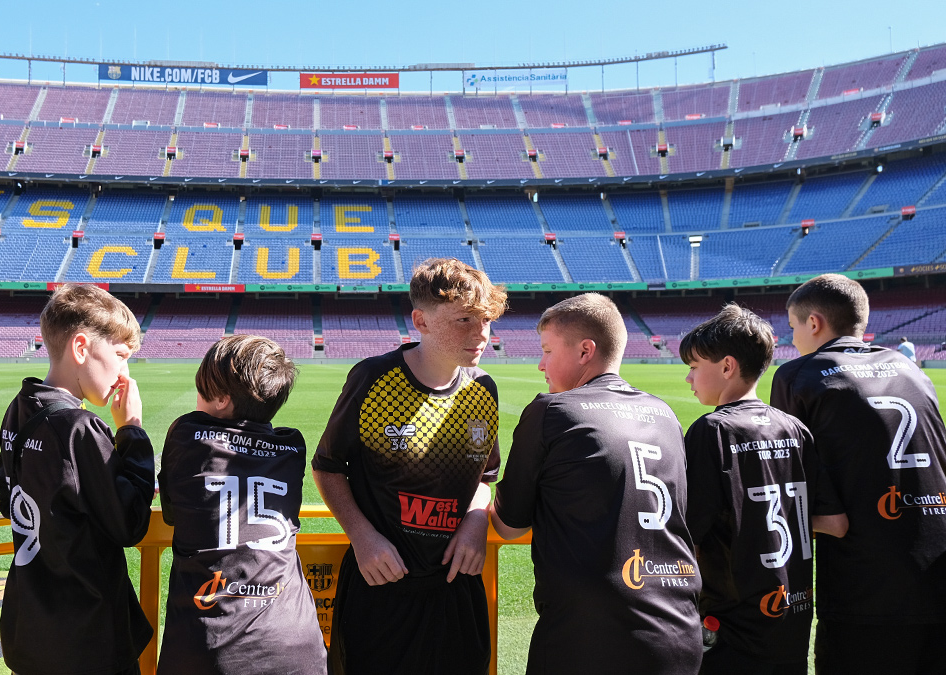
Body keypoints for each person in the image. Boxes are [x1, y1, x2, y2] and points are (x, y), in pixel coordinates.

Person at [490, 293, 702, 674]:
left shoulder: (552, 410)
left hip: (589, 639)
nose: (540, 364)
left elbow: (509, 525)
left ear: (585, 351)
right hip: (679, 632)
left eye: (548, 350)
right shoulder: (664, 413)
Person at [312, 258, 506, 675]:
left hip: (455, 586)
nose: (481, 334)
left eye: (486, 319)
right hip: (382, 585)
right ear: (421, 320)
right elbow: (328, 467)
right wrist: (362, 537)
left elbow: (485, 478)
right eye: (464, 320)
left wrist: (475, 524)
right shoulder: (373, 377)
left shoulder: (483, 388)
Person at [771, 274, 946, 673]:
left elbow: (793, 485)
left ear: (814, 323)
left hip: (865, 587)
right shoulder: (910, 368)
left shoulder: (798, 375)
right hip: (937, 576)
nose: (793, 337)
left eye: (794, 326)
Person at [0, 284, 156, 675]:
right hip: (88, 636)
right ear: (81, 348)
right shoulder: (79, 427)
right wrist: (131, 430)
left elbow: (5, 494)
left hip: (31, 628)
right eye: (120, 355)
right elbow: (129, 522)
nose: (125, 372)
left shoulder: (20, 408)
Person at [680, 303, 845, 674]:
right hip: (793, 615)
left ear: (726, 366)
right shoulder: (795, 428)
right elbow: (835, 524)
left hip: (732, 622)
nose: (688, 380)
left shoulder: (712, 431)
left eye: (693, 368)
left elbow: (687, 535)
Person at [157, 335, 326, 675]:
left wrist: (129, 427)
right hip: (296, 642)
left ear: (221, 398)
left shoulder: (186, 433)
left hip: (212, 645)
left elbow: (173, 512)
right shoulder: (292, 446)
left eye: (203, 391)